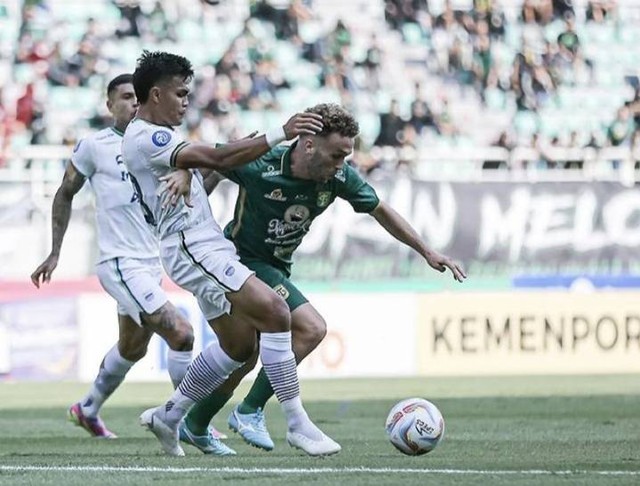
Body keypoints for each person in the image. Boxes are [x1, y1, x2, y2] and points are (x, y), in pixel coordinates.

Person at [180, 102, 467, 452]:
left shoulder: (338, 177)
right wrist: (186, 177)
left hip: (277, 267)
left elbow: (380, 210)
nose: (340, 165)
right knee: (311, 328)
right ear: (308, 143)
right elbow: (212, 160)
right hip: (241, 261)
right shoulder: (262, 163)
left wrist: (427, 251)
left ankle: (194, 423)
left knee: (247, 354)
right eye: (335, 155)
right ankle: (249, 410)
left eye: (345, 156)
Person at [122, 51, 340, 457]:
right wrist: (281, 131)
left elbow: (207, 165)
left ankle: (171, 415)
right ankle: (296, 423)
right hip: (191, 246)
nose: (186, 101)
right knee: (276, 312)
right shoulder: (148, 137)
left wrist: (188, 170)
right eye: (180, 93)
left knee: (241, 347)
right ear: (155, 95)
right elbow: (220, 158)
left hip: (203, 245)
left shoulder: (158, 139)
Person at [30, 74, 195, 441]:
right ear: (109, 106)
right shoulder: (95, 146)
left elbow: (191, 173)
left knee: (132, 347)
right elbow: (65, 192)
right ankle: (189, 421)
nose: (134, 103)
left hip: (152, 263)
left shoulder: (160, 143)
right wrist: (55, 252)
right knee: (181, 334)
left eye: (138, 97)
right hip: (119, 262)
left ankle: (87, 408)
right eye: (125, 97)